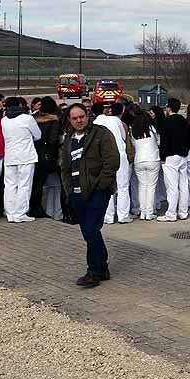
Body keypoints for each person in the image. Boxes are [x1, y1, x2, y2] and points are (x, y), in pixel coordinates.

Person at [60, 103, 120, 288]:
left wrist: (102, 185)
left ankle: (93, 272)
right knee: (89, 232)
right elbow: (65, 167)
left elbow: (112, 160)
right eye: (75, 118)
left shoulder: (100, 134)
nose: (79, 121)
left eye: (81, 117)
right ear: (70, 120)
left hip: (97, 192)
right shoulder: (69, 139)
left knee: (92, 229)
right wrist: (69, 190)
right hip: (77, 193)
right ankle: (102, 267)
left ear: (87, 116)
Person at [0, 96, 40, 222]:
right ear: (20, 105)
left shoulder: (4, 120)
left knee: (10, 185)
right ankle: (20, 213)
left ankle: (10, 213)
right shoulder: (27, 118)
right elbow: (38, 135)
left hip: (10, 156)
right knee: (24, 185)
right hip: (26, 156)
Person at [92, 101, 132, 224]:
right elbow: (123, 137)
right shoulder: (115, 120)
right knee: (123, 186)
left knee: (106, 186)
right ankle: (123, 216)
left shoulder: (94, 123)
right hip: (119, 154)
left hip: (103, 157)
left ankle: (108, 217)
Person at [157, 98, 190, 222]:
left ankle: (171, 213)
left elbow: (164, 141)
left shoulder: (167, 122)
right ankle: (183, 211)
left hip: (170, 157)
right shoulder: (184, 121)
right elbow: (189, 139)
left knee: (172, 187)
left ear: (169, 108)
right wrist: (185, 151)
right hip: (183, 156)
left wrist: (162, 157)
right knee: (183, 185)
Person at [33, 97, 63, 220]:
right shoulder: (54, 121)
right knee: (54, 184)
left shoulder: (34, 120)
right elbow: (53, 140)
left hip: (36, 153)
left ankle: (35, 207)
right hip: (48, 155)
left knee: (36, 183)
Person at [129, 110, 161, 221]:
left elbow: (133, 145)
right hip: (153, 159)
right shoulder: (152, 128)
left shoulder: (133, 130)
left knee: (142, 186)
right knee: (151, 187)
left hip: (139, 160)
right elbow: (159, 142)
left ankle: (142, 212)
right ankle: (149, 212)